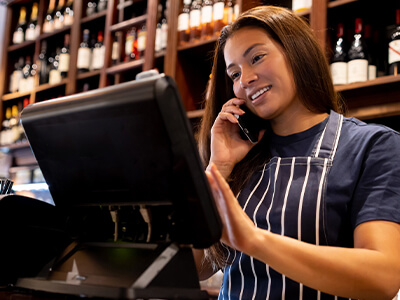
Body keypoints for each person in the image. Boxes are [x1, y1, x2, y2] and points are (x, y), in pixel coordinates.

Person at [193, 5, 400, 300]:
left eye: (257, 57)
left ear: (297, 51)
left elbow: (382, 278)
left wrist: (255, 241)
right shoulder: (240, 158)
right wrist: (219, 167)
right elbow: (195, 267)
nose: (245, 79)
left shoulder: (373, 146)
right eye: (234, 73)